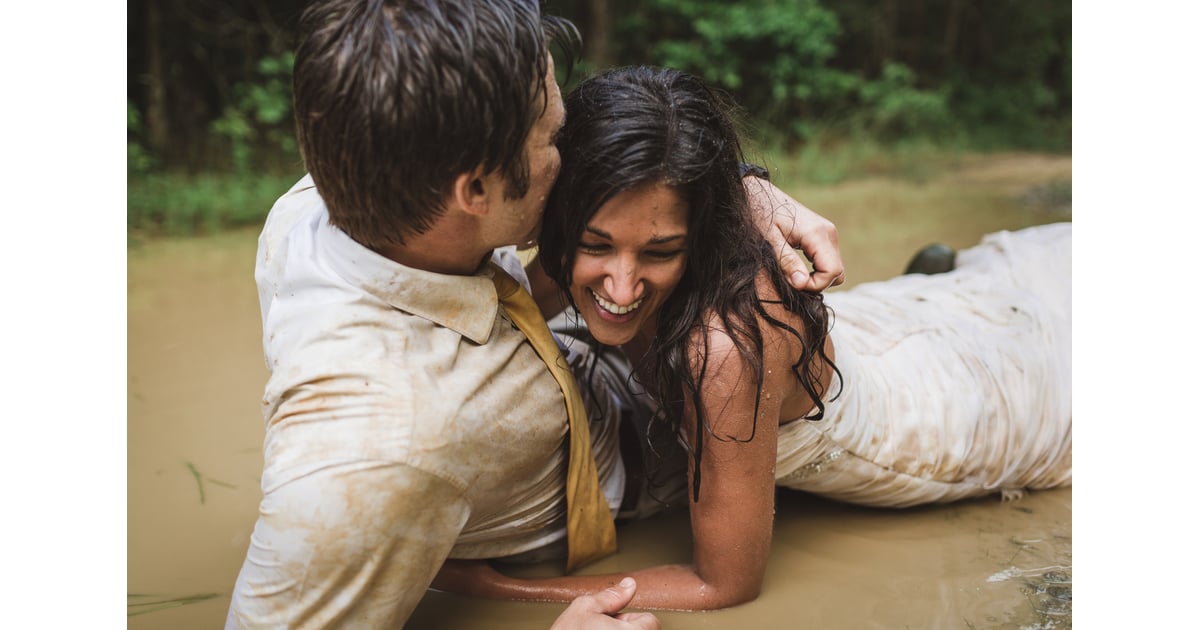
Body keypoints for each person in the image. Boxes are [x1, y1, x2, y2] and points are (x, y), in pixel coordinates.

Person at [226, 2, 846, 627]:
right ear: (474, 191)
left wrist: (736, 188)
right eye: (553, 138)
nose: (567, 148)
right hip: (642, 438)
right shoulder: (374, 454)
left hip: (633, 362)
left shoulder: (348, 189)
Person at [432, 66, 1071, 611]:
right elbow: (513, 297)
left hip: (937, 423)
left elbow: (721, 584)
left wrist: (502, 587)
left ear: (702, 232)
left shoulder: (725, 349)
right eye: (596, 245)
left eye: (662, 252)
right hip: (876, 331)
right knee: (973, 297)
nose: (622, 289)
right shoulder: (605, 220)